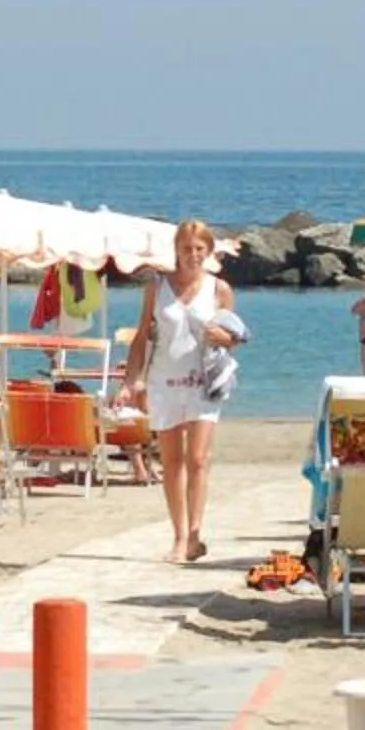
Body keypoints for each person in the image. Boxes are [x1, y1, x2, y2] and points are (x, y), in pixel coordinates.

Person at [121, 218, 243, 565]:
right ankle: (178, 536)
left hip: (203, 382)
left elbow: (232, 336)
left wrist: (226, 338)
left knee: (199, 459)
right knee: (171, 461)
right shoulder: (157, 287)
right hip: (164, 381)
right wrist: (131, 381)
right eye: (187, 248)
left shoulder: (219, 289)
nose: (193, 255)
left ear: (209, 251)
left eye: (199, 249)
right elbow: (142, 334)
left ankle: (194, 534)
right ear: (176, 250)